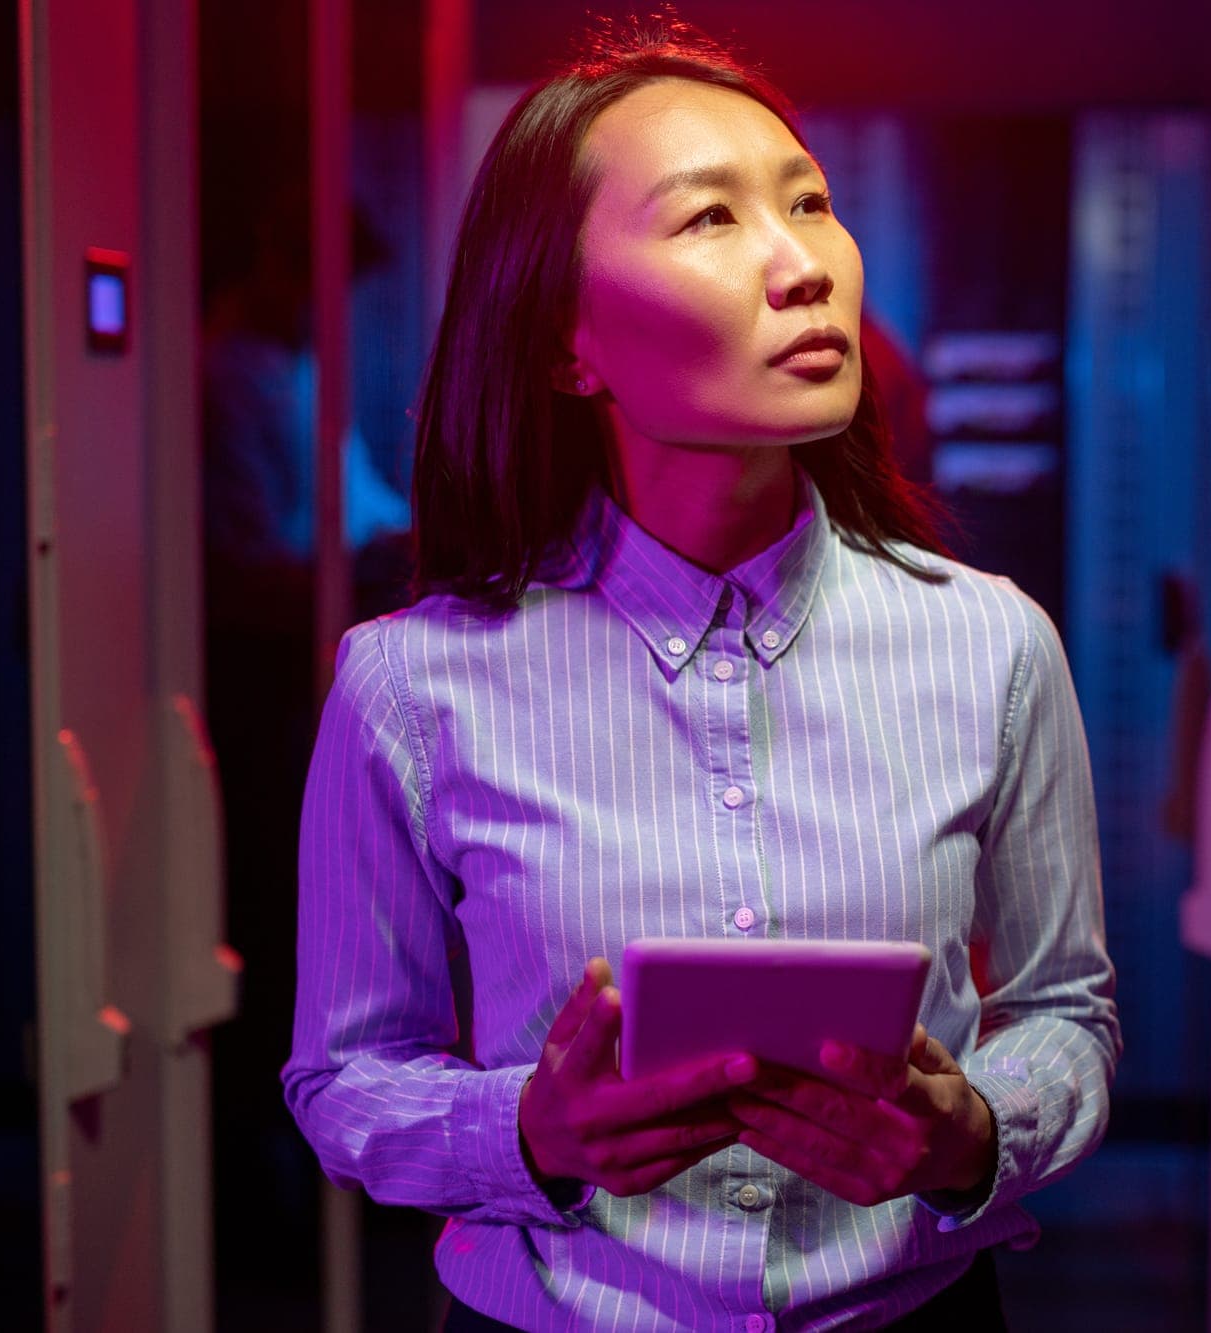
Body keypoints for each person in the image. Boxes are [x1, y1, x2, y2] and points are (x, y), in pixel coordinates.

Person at [282, 20, 1119, 1331]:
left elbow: (1065, 1008)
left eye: (811, 204)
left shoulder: (992, 643)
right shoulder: (411, 684)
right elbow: (344, 1080)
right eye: (711, 219)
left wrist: (970, 1129)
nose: (803, 267)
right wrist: (532, 1130)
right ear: (569, 342)